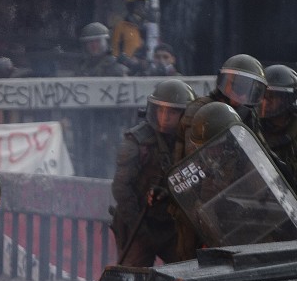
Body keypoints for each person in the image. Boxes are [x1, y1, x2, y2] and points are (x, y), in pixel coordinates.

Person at [110, 79, 196, 267]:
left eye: (172, 111)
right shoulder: (137, 143)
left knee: (187, 274)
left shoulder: (192, 143)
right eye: (161, 110)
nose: (165, 117)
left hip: (172, 225)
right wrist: (139, 230)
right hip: (140, 222)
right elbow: (121, 189)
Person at [173, 101, 242, 260]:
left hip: (237, 229)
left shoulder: (244, 161)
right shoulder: (196, 164)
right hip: (203, 237)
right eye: (207, 147)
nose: (213, 151)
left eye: (218, 145)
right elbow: (179, 188)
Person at [176, 53, 267, 162]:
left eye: (249, 91)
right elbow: (194, 156)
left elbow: (261, 152)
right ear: (224, 82)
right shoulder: (200, 109)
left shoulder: (248, 114)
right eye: (239, 87)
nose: (243, 96)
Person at [258, 65, 297, 201]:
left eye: (272, 97)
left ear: (287, 99)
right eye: (263, 96)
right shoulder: (253, 125)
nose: (264, 102)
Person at [111, 0, 149, 74]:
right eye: (137, 5)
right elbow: (115, 49)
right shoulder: (121, 27)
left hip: (145, 68)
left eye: (142, 4)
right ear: (130, 7)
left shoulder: (148, 27)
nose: (140, 8)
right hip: (126, 68)